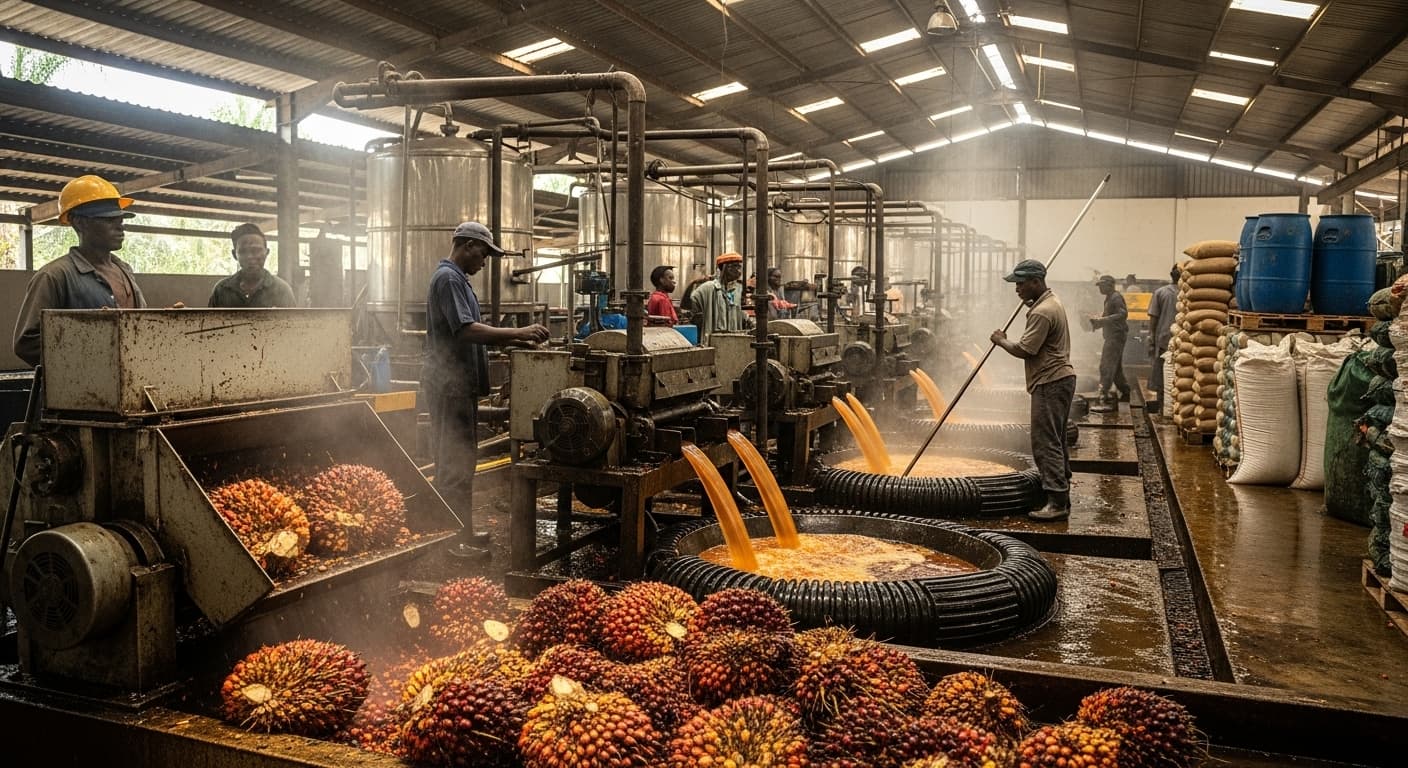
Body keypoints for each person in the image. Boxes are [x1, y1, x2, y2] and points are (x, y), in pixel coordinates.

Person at [424, 221, 549, 560]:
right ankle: (451, 542)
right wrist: (517, 333)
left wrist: (504, 345)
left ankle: (461, 530)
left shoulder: (456, 279)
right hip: (449, 387)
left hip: (459, 386)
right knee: (453, 464)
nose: (485, 261)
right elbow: (464, 331)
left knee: (462, 463)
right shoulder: (448, 279)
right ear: (466, 246)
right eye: (484, 253)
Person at [13, 174, 148, 367]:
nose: (120, 227)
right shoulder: (54, 277)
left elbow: (138, 331)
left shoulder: (125, 270)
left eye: (121, 220)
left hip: (125, 389)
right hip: (80, 394)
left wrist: (163, 322)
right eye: (109, 220)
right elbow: (26, 343)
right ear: (79, 222)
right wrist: (92, 345)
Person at [990, 259, 1076, 522]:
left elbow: (1025, 349)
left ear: (1036, 282)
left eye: (1021, 283)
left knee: (1044, 442)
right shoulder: (1050, 303)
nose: (1017, 289)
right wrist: (1031, 304)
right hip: (1061, 378)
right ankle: (1061, 493)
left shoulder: (1041, 312)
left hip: (1049, 381)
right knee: (1056, 439)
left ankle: (1056, 502)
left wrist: (1000, 340)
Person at [208, 223, 297, 308]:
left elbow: (294, 323)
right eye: (243, 251)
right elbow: (208, 323)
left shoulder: (281, 291)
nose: (250, 257)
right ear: (234, 255)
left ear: (267, 252)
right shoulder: (221, 291)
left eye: (256, 250)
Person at [687, 251, 751, 344]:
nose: (739, 271)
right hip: (713, 340)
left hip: (733, 340)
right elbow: (689, 307)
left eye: (740, 267)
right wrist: (693, 283)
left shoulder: (737, 290)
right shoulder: (708, 288)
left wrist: (749, 320)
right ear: (726, 268)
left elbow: (738, 312)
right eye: (735, 266)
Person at [1088, 274, 1130, 404]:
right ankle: (1125, 390)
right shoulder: (1109, 298)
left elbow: (1122, 314)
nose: (1100, 288)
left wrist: (1102, 320)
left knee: (1106, 365)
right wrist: (1098, 322)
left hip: (1116, 336)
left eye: (1102, 285)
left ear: (1109, 285)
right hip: (1113, 335)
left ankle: (1103, 393)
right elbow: (1110, 316)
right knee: (1115, 367)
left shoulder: (1116, 298)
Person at [1146, 264, 1181, 414]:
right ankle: (1173, 407)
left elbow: (1153, 318)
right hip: (1182, 339)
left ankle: (1163, 406)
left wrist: (1151, 338)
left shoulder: (1160, 292)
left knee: (1161, 373)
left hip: (1164, 339)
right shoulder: (1188, 293)